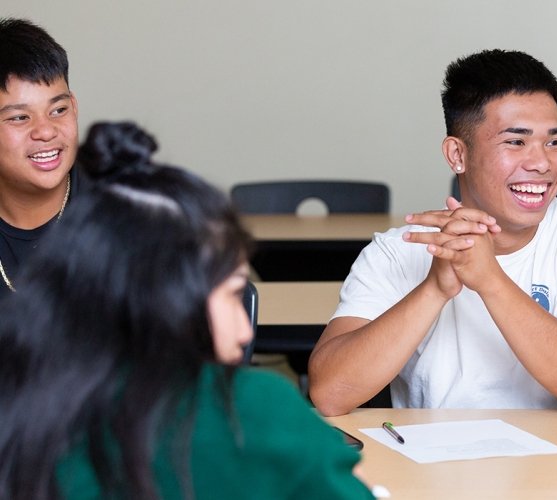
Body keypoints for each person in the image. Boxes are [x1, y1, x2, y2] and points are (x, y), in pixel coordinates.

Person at [0, 122, 374, 500]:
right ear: (170, 296)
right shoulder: (256, 408)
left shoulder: (25, 408)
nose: (246, 331)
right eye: (231, 294)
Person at [308, 49, 557, 417]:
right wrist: (434, 289)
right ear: (457, 155)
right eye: (516, 142)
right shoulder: (398, 250)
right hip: (426, 467)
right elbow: (330, 393)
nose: (541, 162)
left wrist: (490, 280)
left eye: (554, 142)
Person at [0, 18, 85, 302]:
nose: (46, 131)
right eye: (20, 117)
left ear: (74, 107)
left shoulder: (126, 212)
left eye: (58, 109)